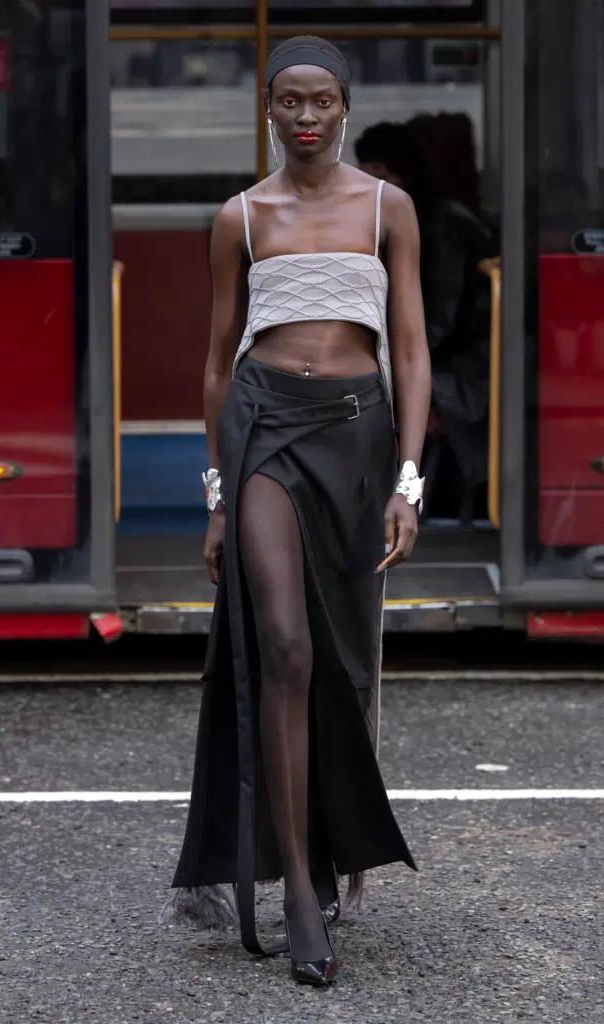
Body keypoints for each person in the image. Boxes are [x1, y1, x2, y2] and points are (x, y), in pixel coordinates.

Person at [160, 37, 430, 986]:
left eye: (320, 100)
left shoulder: (386, 208)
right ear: (268, 111)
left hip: (356, 436)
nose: (305, 116)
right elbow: (213, 358)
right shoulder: (239, 217)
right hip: (262, 424)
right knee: (281, 644)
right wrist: (217, 494)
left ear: (344, 105)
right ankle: (296, 898)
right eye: (288, 102)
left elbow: (410, 348)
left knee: (340, 659)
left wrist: (407, 480)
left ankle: (323, 851)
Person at [356, 122, 492, 518]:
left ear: (386, 171)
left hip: (463, 366)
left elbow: (439, 323)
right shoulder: (424, 215)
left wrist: (385, 357)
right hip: (447, 353)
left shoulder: (441, 226)